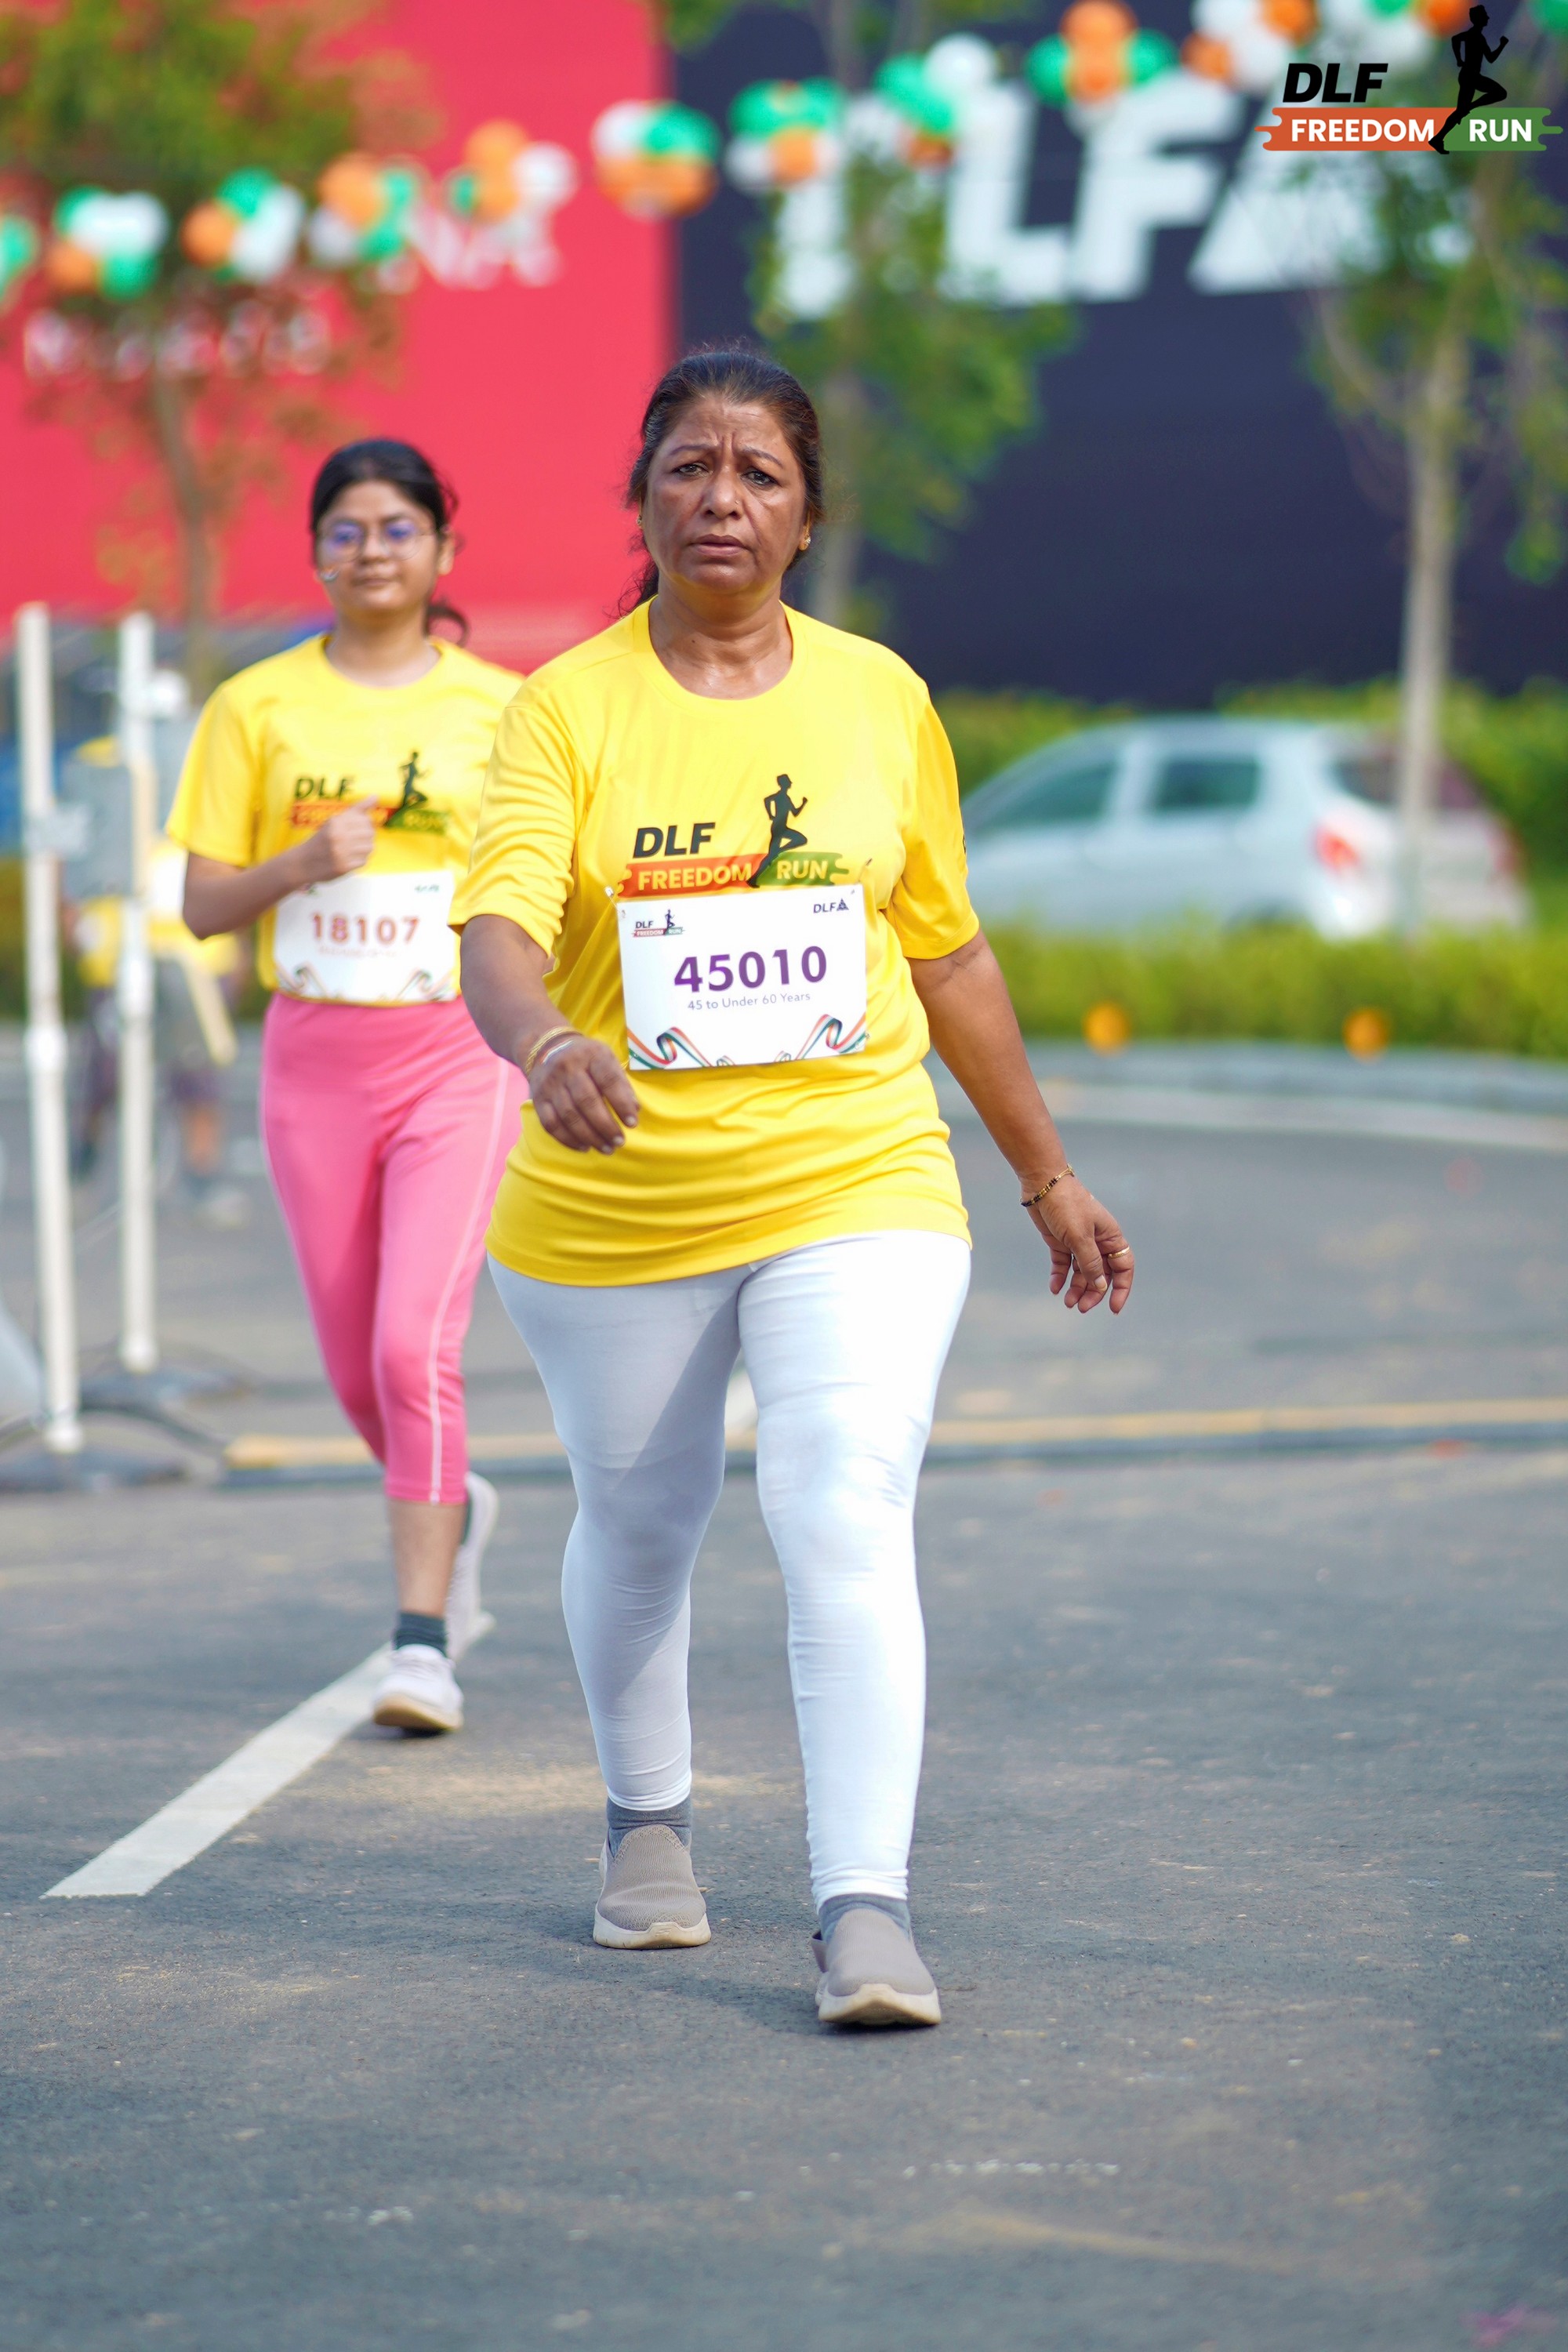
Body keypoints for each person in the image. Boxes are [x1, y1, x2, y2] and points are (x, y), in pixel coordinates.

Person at [455, 350, 1134, 2027]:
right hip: (615, 1201)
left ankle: (864, 1908)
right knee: (641, 1520)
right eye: (688, 467)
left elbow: (947, 952)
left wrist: (1046, 1175)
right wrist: (546, 1045)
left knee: (839, 1498)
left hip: (858, 1174)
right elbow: (497, 937)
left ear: (808, 517)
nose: (721, 500)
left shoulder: (879, 698)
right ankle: (646, 1822)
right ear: (640, 497)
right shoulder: (564, 709)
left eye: (759, 473)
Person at [170, 438, 527, 1734]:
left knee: (410, 1342)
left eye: (398, 527)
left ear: (445, 551)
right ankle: (451, 1502)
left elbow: (545, 885)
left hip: (454, 1051)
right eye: (347, 529)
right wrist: (300, 864)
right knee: (350, 1364)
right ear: (316, 551)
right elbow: (202, 904)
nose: (372, 550)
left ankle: (422, 1642)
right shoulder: (255, 707)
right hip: (314, 1058)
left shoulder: (506, 709)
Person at [1431, 4, 1508, 151]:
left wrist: (1501, 46)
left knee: (1498, 94)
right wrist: (1459, 59)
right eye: (1484, 16)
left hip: (1473, 76)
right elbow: (1455, 39)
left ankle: (1438, 138)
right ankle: (1438, 138)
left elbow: (1491, 58)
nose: (1487, 18)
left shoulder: (1480, 37)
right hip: (1469, 76)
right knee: (1498, 93)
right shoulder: (1472, 35)